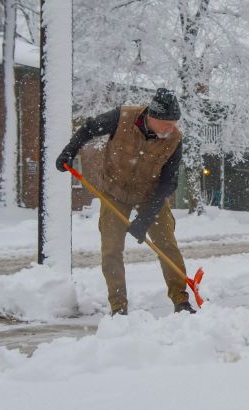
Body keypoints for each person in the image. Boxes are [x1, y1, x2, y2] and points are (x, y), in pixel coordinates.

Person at [55, 88, 195, 315]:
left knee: (167, 246)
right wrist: (69, 151)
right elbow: (89, 128)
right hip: (114, 192)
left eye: (174, 123)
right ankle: (118, 307)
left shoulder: (174, 140)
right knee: (111, 249)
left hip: (151, 195)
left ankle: (181, 300)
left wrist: (145, 218)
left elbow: (168, 183)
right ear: (152, 116)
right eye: (166, 123)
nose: (171, 129)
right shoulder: (121, 118)